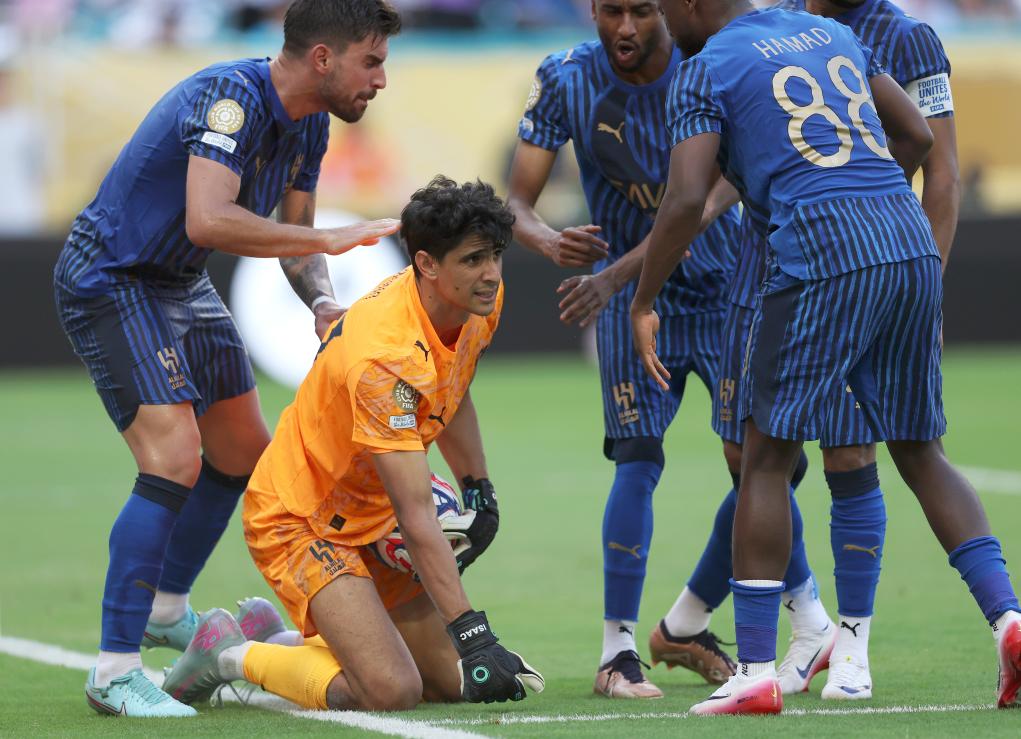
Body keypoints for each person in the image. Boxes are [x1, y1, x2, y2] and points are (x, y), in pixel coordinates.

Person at [631, 0, 1021, 716]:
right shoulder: (831, 33)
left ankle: (755, 668)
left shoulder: (706, 68)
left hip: (818, 251)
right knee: (920, 452)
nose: (659, 23)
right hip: (906, 243)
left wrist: (643, 299)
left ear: (689, 4)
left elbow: (686, 197)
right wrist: (865, 194)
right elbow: (915, 135)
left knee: (765, 457)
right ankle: (1009, 619)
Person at [55, 0, 403, 718]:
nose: (380, 79)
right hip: (113, 277)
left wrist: (321, 302)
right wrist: (328, 240)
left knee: (244, 448)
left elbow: (295, 237)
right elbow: (209, 219)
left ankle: (164, 608)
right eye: (371, 61)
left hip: (178, 281)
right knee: (173, 458)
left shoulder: (311, 122)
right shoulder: (231, 99)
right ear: (322, 58)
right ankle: (113, 671)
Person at [506, 0, 831, 699]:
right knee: (637, 458)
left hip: (721, 288)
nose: (624, 28)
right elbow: (516, 204)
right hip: (630, 303)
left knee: (764, 463)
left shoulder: (710, 64)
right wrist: (549, 241)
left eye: (641, 11)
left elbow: (711, 197)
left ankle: (695, 618)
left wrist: (615, 278)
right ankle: (617, 652)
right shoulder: (563, 76)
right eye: (610, 11)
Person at [163, 176, 545, 711]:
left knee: (447, 683)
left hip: (369, 505)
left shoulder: (476, 302)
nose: (491, 274)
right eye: (473, 260)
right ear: (427, 264)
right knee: (392, 689)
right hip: (301, 516)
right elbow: (415, 515)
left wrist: (478, 487)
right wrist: (473, 634)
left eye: (496, 255)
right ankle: (228, 654)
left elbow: (453, 387)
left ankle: (275, 640)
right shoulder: (385, 359)